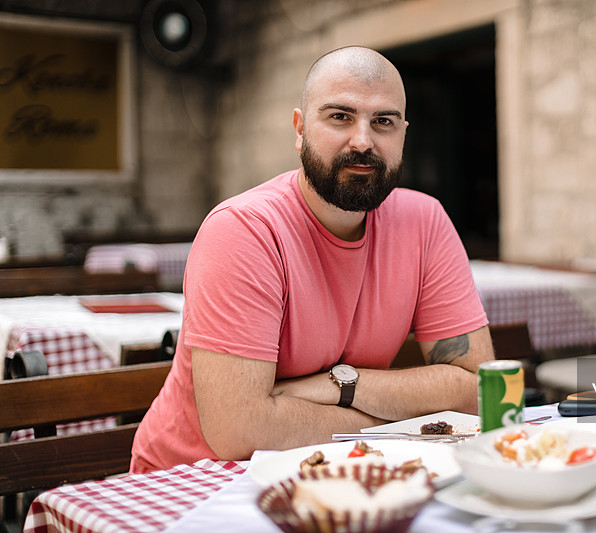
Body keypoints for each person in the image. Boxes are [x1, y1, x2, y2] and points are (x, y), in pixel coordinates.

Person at [130, 46, 494, 473]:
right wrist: (395, 418)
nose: (363, 141)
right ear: (300, 129)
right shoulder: (244, 230)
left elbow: (480, 390)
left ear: (403, 134)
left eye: (384, 122)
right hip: (194, 480)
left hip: (337, 471)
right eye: (340, 116)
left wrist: (343, 386)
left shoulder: (424, 221)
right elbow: (239, 432)